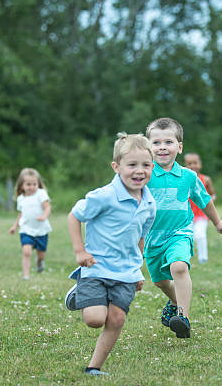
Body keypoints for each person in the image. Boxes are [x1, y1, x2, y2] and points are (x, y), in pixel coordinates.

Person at [65, 133, 156, 376]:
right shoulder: (104, 196)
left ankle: (93, 367)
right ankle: (82, 291)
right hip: (96, 266)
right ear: (116, 167)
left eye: (145, 165)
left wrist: (138, 271)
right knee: (95, 319)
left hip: (126, 272)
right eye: (132, 165)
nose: (139, 171)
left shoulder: (149, 204)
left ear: (152, 167)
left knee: (116, 320)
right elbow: (74, 216)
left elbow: (140, 239)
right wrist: (80, 251)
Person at [145, 117, 222, 339]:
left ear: (179, 147)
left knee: (179, 267)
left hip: (179, 233)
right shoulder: (143, 175)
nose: (162, 147)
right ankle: (174, 302)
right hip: (152, 238)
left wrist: (218, 222)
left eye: (168, 142)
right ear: (148, 147)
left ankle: (182, 318)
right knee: (160, 281)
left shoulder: (188, 177)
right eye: (156, 143)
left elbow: (205, 201)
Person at [8, 168, 52, 280]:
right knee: (26, 251)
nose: (31, 187)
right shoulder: (21, 198)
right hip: (26, 229)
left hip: (41, 230)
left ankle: (39, 262)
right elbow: (21, 214)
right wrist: (14, 226)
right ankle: (26, 275)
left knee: (41, 255)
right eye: (28, 184)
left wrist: (44, 216)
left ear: (38, 184)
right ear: (22, 185)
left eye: (34, 184)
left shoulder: (41, 194)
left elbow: (47, 207)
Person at [184, 152, 217, 264]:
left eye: (195, 163)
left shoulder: (206, 179)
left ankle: (203, 258)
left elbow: (213, 194)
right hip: (188, 214)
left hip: (202, 214)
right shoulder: (184, 179)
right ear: (185, 165)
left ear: (200, 164)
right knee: (189, 236)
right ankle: (186, 257)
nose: (193, 166)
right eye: (189, 164)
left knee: (201, 235)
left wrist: (210, 201)